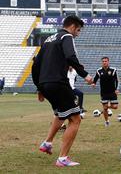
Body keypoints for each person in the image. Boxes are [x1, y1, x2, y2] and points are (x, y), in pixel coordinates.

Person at [32, 15, 93, 167]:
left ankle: (47, 143)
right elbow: (71, 56)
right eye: (78, 30)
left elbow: (36, 64)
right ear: (72, 27)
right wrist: (85, 75)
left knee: (60, 113)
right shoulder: (67, 36)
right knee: (75, 119)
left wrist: (39, 87)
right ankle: (63, 158)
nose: (77, 34)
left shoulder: (48, 40)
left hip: (45, 84)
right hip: (58, 83)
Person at [92, 57, 119, 127]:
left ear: (108, 62)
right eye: (103, 61)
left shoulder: (113, 70)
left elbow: (117, 80)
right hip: (104, 93)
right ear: (102, 62)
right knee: (105, 108)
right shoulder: (99, 71)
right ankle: (107, 121)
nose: (104, 62)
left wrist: (117, 89)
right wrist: (93, 83)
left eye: (106, 61)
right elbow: (95, 79)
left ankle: (104, 109)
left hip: (112, 92)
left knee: (115, 107)